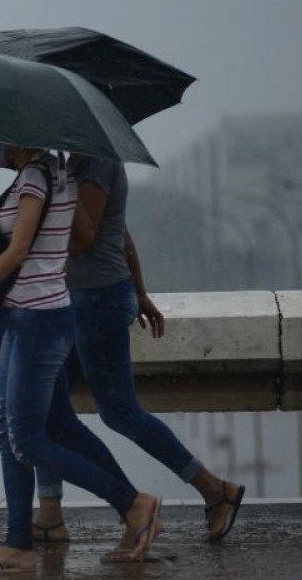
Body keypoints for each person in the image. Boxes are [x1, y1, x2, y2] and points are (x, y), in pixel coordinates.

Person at [0, 145, 162, 570]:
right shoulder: (44, 176)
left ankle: (133, 504)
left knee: (28, 438)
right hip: (20, 318)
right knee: (9, 430)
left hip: (38, 321)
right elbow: (23, 246)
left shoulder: (39, 177)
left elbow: (18, 252)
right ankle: (18, 543)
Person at [32, 156, 245, 547]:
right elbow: (122, 235)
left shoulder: (94, 162)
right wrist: (141, 292)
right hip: (86, 297)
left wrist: (26, 235)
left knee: (120, 412)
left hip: (96, 299)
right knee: (45, 404)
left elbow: (84, 238)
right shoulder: (78, 164)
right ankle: (50, 513)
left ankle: (212, 491)